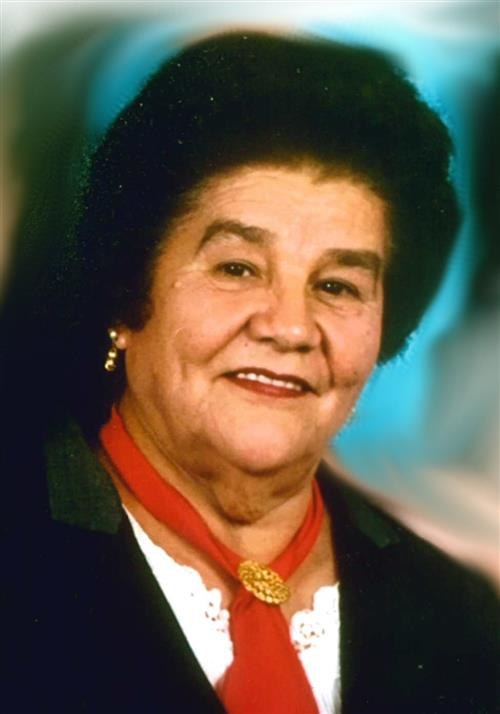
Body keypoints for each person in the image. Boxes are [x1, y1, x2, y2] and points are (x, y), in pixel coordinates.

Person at [1, 30, 497, 714]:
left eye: (338, 286)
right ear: (127, 292)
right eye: (238, 269)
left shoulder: (460, 620)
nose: (290, 328)